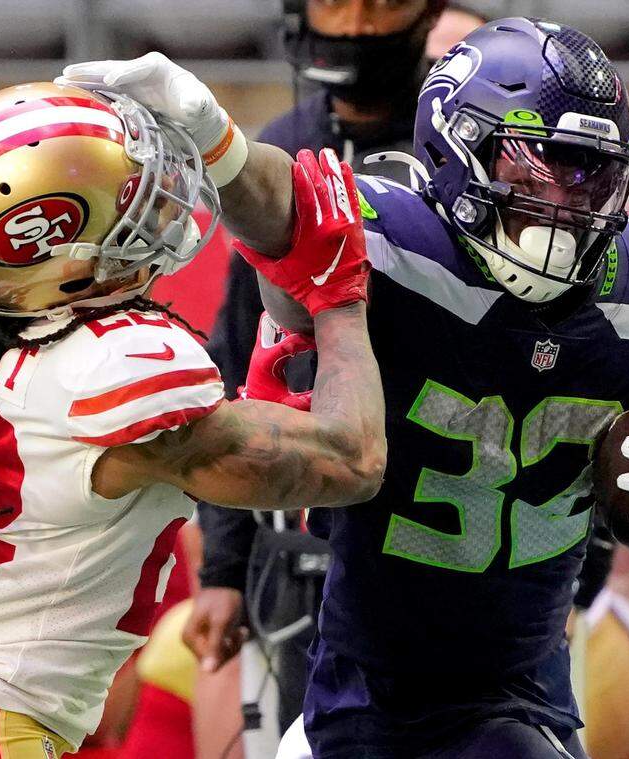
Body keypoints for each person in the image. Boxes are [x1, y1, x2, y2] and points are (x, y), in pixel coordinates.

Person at [66, 19, 629, 757]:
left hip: (523, 698)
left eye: (589, 171)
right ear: (455, 151)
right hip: (363, 695)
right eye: (531, 168)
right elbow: (281, 204)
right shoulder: (399, 245)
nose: (564, 204)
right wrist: (215, 138)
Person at [0, 79, 385, 758]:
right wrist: (340, 293)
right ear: (52, 238)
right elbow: (355, 460)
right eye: (125, 186)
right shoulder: (116, 364)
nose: (153, 192)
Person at [186, 0, 487, 746]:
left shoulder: (461, 153)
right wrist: (225, 568)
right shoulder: (279, 152)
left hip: (443, 528)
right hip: (303, 539)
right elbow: (233, 358)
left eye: (378, 7)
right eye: (336, 6)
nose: (354, 26)